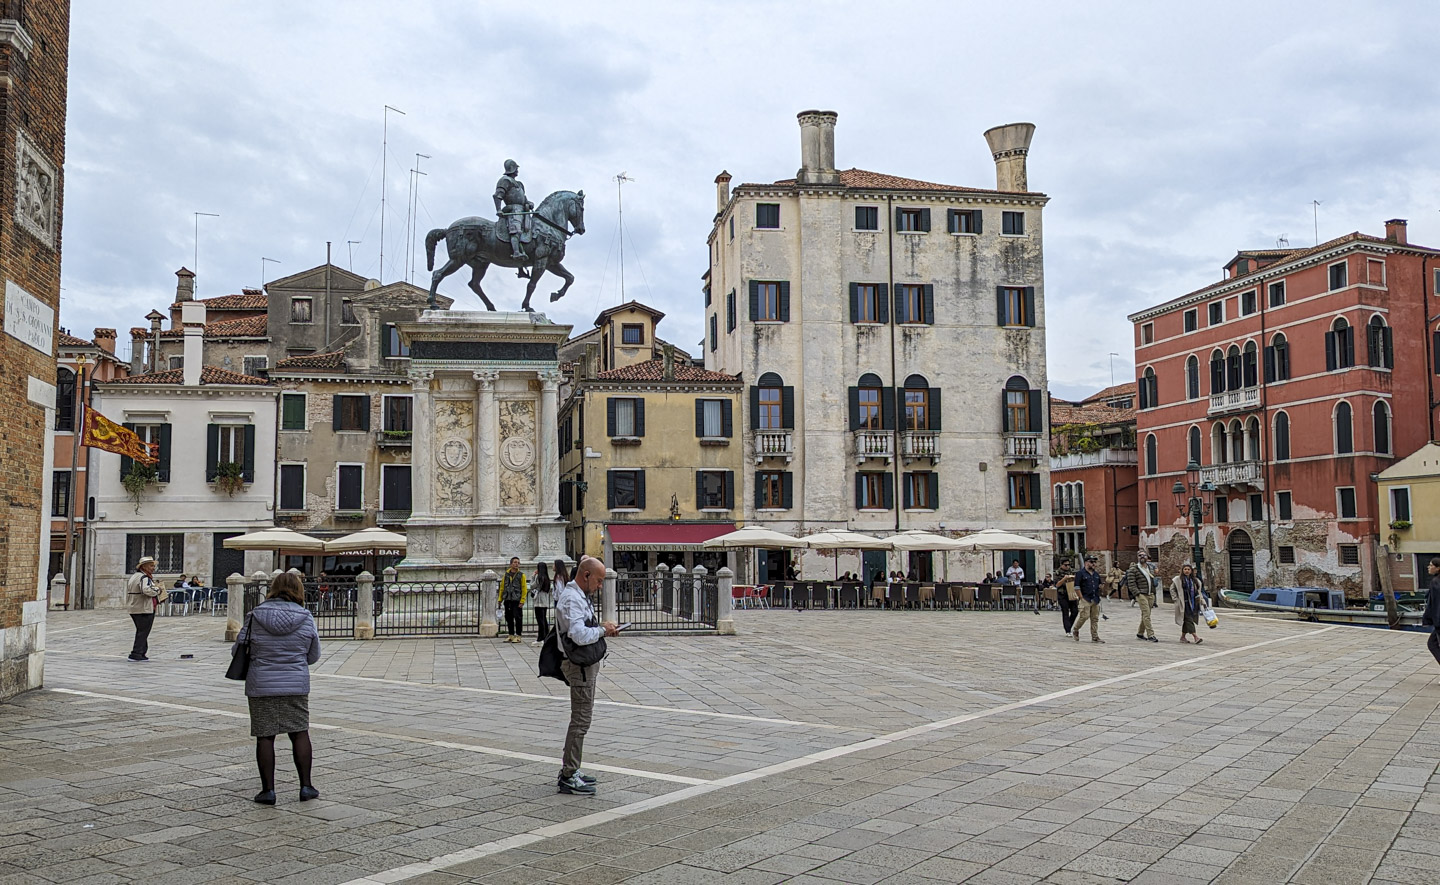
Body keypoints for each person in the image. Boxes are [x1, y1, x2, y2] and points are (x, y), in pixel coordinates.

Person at [235, 572, 321, 805]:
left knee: (265, 736)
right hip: (295, 683)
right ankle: (306, 787)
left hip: (261, 683)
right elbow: (313, 655)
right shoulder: (306, 617)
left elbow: (238, 651)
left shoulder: (255, 616)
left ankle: (268, 791)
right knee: (299, 732)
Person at [553, 557, 619, 795]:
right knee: (580, 721)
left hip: (585, 664)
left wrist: (602, 627)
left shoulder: (579, 596)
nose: (600, 586)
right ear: (586, 575)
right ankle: (569, 775)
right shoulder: (571, 598)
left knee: (581, 720)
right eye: (599, 581)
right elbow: (578, 635)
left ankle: (572, 771)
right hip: (579, 666)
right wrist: (602, 630)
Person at [493, 158, 533, 268]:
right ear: (512, 168)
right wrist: (499, 209)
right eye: (516, 168)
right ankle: (516, 252)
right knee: (516, 230)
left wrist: (528, 203)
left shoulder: (520, 184)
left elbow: (523, 198)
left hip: (523, 210)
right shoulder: (505, 180)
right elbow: (498, 195)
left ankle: (522, 264)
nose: (518, 170)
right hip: (513, 210)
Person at [126, 556, 167, 661]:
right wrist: (158, 590)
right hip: (143, 608)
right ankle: (136, 653)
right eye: (151, 565)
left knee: (142, 630)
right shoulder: (144, 578)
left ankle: (142, 652)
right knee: (143, 631)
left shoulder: (135, 576)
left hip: (134, 606)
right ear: (144, 567)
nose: (153, 568)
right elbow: (147, 590)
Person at [1125, 551, 1160, 643]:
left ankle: (1140, 633)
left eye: (1143, 555)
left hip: (1150, 594)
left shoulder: (1150, 568)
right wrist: (1137, 594)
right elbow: (1131, 583)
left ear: (1147, 557)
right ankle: (1151, 635)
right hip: (1141, 594)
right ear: (1137, 557)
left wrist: (1153, 592)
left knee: (1146, 614)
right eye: (1140, 555)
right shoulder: (1134, 569)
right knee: (1146, 614)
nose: (1142, 557)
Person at [1072, 554, 1105, 643]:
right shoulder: (1080, 573)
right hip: (1085, 598)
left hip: (1095, 598)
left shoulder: (1096, 574)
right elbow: (1077, 587)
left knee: (1095, 618)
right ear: (1086, 563)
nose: (1093, 564)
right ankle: (1076, 629)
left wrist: (1101, 587)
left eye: (1094, 562)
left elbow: (1100, 584)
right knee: (1084, 616)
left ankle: (1095, 636)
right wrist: (1081, 597)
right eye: (1091, 562)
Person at [1172, 561, 1206, 644]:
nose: (1187, 571)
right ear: (1182, 570)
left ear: (1191, 571)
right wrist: (1175, 599)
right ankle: (1196, 637)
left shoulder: (1195, 581)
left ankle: (1183, 637)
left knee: (1187, 620)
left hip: (1193, 603)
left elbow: (1198, 592)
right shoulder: (1177, 580)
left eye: (1188, 569)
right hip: (1184, 603)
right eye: (1185, 569)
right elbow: (1172, 589)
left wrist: (1203, 601)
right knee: (1189, 619)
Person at [501, 557, 528, 643]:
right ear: (511, 564)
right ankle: (511, 635)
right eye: (515, 562)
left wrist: (522, 600)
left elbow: (524, 588)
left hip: (517, 599)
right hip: (508, 599)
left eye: (518, 562)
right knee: (509, 618)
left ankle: (518, 635)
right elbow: (502, 587)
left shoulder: (521, 575)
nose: (517, 564)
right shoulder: (506, 575)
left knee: (518, 617)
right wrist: (500, 599)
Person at [532, 561, 554, 647]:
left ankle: (541, 638)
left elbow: (532, 585)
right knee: (544, 620)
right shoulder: (546, 578)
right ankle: (546, 637)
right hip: (544, 601)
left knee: (540, 621)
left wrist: (533, 576)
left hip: (539, 602)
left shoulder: (539, 577)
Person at [1423, 559, 1440, 666]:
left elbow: (1435, 604)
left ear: (1438, 568)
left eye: (1431, 565)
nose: (1428, 567)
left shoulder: (1436, 583)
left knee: (1432, 644)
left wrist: (1430, 620)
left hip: (1439, 621)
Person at [1055, 559, 1078, 635]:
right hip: (1063, 594)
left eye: (1068, 565)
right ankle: (1067, 630)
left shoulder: (1072, 571)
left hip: (1071, 593)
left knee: (1075, 611)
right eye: (1065, 565)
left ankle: (1069, 626)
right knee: (1065, 611)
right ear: (1061, 565)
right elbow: (1057, 585)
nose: (1067, 566)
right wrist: (1064, 579)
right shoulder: (1058, 572)